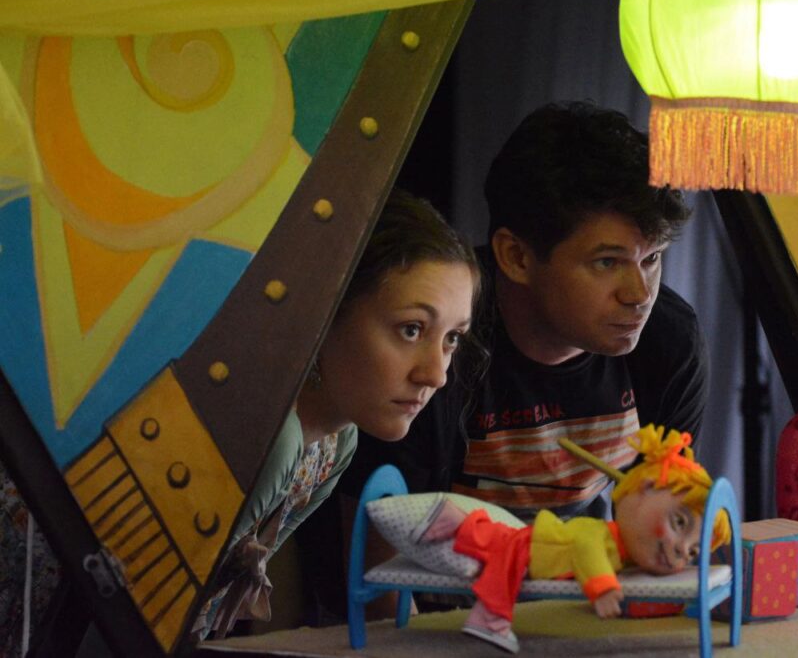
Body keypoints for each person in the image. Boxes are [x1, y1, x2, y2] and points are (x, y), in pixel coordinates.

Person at [341, 100, 707, 524]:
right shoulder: (435, 339)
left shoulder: (669, 339)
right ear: (516, 257)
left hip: (591, 565)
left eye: (652, 259)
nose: (640, 294)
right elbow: (379, 549)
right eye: (607, 262)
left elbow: (662, 532)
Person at [192, 188, 481, 639]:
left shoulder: (337, 440)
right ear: (325, 311)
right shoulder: (275, 437)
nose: (437, 374)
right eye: (411, 330)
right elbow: (166, 613)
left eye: (452, 338)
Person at [409, 424, 730, 653]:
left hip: (539, 552)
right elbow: (586, 549)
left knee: (493, 541)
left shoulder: (626, 551)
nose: (680, 549)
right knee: (496, 547)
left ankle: (451, 522)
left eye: (693, 552)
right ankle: (455, 535)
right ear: (645, 489)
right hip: (537, 548)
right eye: (679, 522)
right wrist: (602, 586)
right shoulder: (599, 534)